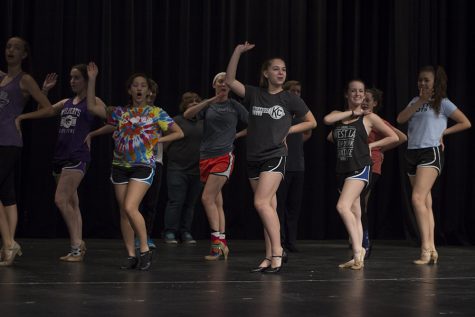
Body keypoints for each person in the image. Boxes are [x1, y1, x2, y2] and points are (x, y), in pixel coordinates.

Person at [225, 42, 317, 273]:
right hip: (253, 157)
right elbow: (229, 81)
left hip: (275, 155)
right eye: (276, 69)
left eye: (283, 69)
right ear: (266, 73)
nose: (281, 72)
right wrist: (237, 52)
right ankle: (269, 256)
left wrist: (288, 130)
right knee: (270, 208)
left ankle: (278, 252)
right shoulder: (255, 94)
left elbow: (311, 122)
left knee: (261, 203)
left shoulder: (289, 98)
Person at [86, 62, 183, 270]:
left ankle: (145, 250)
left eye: (143, 85)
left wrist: (158, 141)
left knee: (131, 206)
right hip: (120, 164)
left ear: (148, 90)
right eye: (135, 85)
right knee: (123, 211)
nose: (139, 88)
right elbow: (92, 107)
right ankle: (131, 255)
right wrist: (92, 79)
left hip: (143, 165)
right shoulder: (120, 113)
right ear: (130, 90)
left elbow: (178, 132)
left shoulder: (156, 112)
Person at [15, 64, 104, 262]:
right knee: (72, 202)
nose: (72, 81)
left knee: (60, 200)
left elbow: (112, 121)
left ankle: (76, 248)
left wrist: (92, 134)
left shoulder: (93, 102)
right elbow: (44, 111)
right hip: (60, 156)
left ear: (85, 81)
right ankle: (78, 244)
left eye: (77, 78)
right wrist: (45, 90)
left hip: (78, 156)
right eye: (71, 78)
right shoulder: (66, 102)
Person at [396, 65, 471, 264]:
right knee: (426, 203)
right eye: (420, 79)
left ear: (435, 83)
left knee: (417, 199)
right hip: (412, 152)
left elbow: (465, 122)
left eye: (426, 80)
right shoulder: (415, 101)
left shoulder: (443, 103)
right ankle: (433, 248)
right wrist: (419, 100)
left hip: (431, 152)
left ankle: (425, 249)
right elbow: (400, 118)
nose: (422, 83)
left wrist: (442, 134)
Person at [324, 79, 398, 270]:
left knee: (342, 206)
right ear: (347, 94)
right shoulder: (338, 115)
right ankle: (359, 255)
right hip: (342, 169)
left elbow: (394, 137)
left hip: (361, 167)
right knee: (356, 212)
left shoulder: (369, 118)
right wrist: (351, 113)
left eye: (361, 91)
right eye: (354, 91)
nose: (358, 94)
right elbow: (326, 121)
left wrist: (370, 146)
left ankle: (358, 252)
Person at [183, 72, 248, 260]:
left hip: (223, 156)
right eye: (220, 82)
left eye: (226, 82)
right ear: (214, 85)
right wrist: (210, 100)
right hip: (205, 157)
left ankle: (216, 245)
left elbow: (254, 124)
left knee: (207, 198)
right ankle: (223, 245)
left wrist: (235, 136)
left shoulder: (234, 106)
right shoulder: (208, 105)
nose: (223, 85)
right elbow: (188, 114)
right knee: (217, 202)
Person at [0, 37, 52, 266]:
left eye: (17, 48)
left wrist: (22, 116)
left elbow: (48, 109)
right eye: (9, 46)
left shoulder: (26, 79)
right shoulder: (1, 78)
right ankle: (9, 246)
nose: (11, 50)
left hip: (10, 141)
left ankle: (9, 242)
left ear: (24, 55)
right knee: (7, 194)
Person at [359, 88, 407, 259]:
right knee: (360, 203)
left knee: (358, 201)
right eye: (362, 98)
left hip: (372, 164)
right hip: (356, 164)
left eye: (368, 99)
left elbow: (400, 137)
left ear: (375, 103)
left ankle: (364, 241)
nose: (364, 101)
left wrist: (377, 147)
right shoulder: (356, 118)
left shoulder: (375, 119)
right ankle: (358, 239)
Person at [163, 92, 204, 244]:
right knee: (176, 201)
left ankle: (185, 231)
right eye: (190, 102)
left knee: (190, 203)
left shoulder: (203, 122)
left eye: (196, 101)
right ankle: (170, 232)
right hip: (177, 169)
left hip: (197, 169)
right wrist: (175, 157)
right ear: (184, 105)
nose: (194, 103)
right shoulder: (177, 121)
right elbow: (166, 144)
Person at [277, 80, 312, 253]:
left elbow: (308, 131)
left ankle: (291, 241)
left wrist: (296, 143)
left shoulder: (300, 115)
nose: (296, 94)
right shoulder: (280, 112)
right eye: (293, 91)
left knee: (293, 207)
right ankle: (279, 241)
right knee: (279, 206)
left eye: (299, 91)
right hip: (281, 165)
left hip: (298, 166)